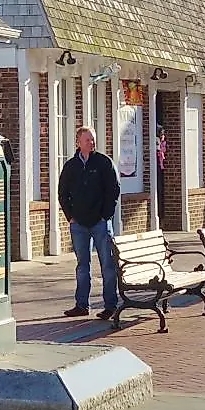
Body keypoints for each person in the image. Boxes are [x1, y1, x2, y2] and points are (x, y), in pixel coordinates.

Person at [58, 126, 121, 318]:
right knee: (82, 266)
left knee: (107, 265)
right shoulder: (71, 166)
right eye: (87, 140)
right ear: (78, 142)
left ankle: (110, 305)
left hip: (100, 223)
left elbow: (114, 190)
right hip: (79, 225)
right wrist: (71, 216)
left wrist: (105, 215)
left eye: (93, 140)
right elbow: (63, 193)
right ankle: (81, 305)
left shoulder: (104, 163)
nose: (91, 143)